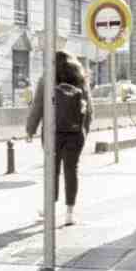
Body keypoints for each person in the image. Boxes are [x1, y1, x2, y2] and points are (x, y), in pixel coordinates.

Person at [25, 50, 92, 226]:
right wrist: (84, 130)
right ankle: (70, 213)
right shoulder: (80, 77)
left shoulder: (46, 79)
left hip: (51, 132)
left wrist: (30, 129)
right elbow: (89, 109)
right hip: (75, 134)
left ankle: (49, 208)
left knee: (51, 170)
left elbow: (37, 106)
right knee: (71, 170)